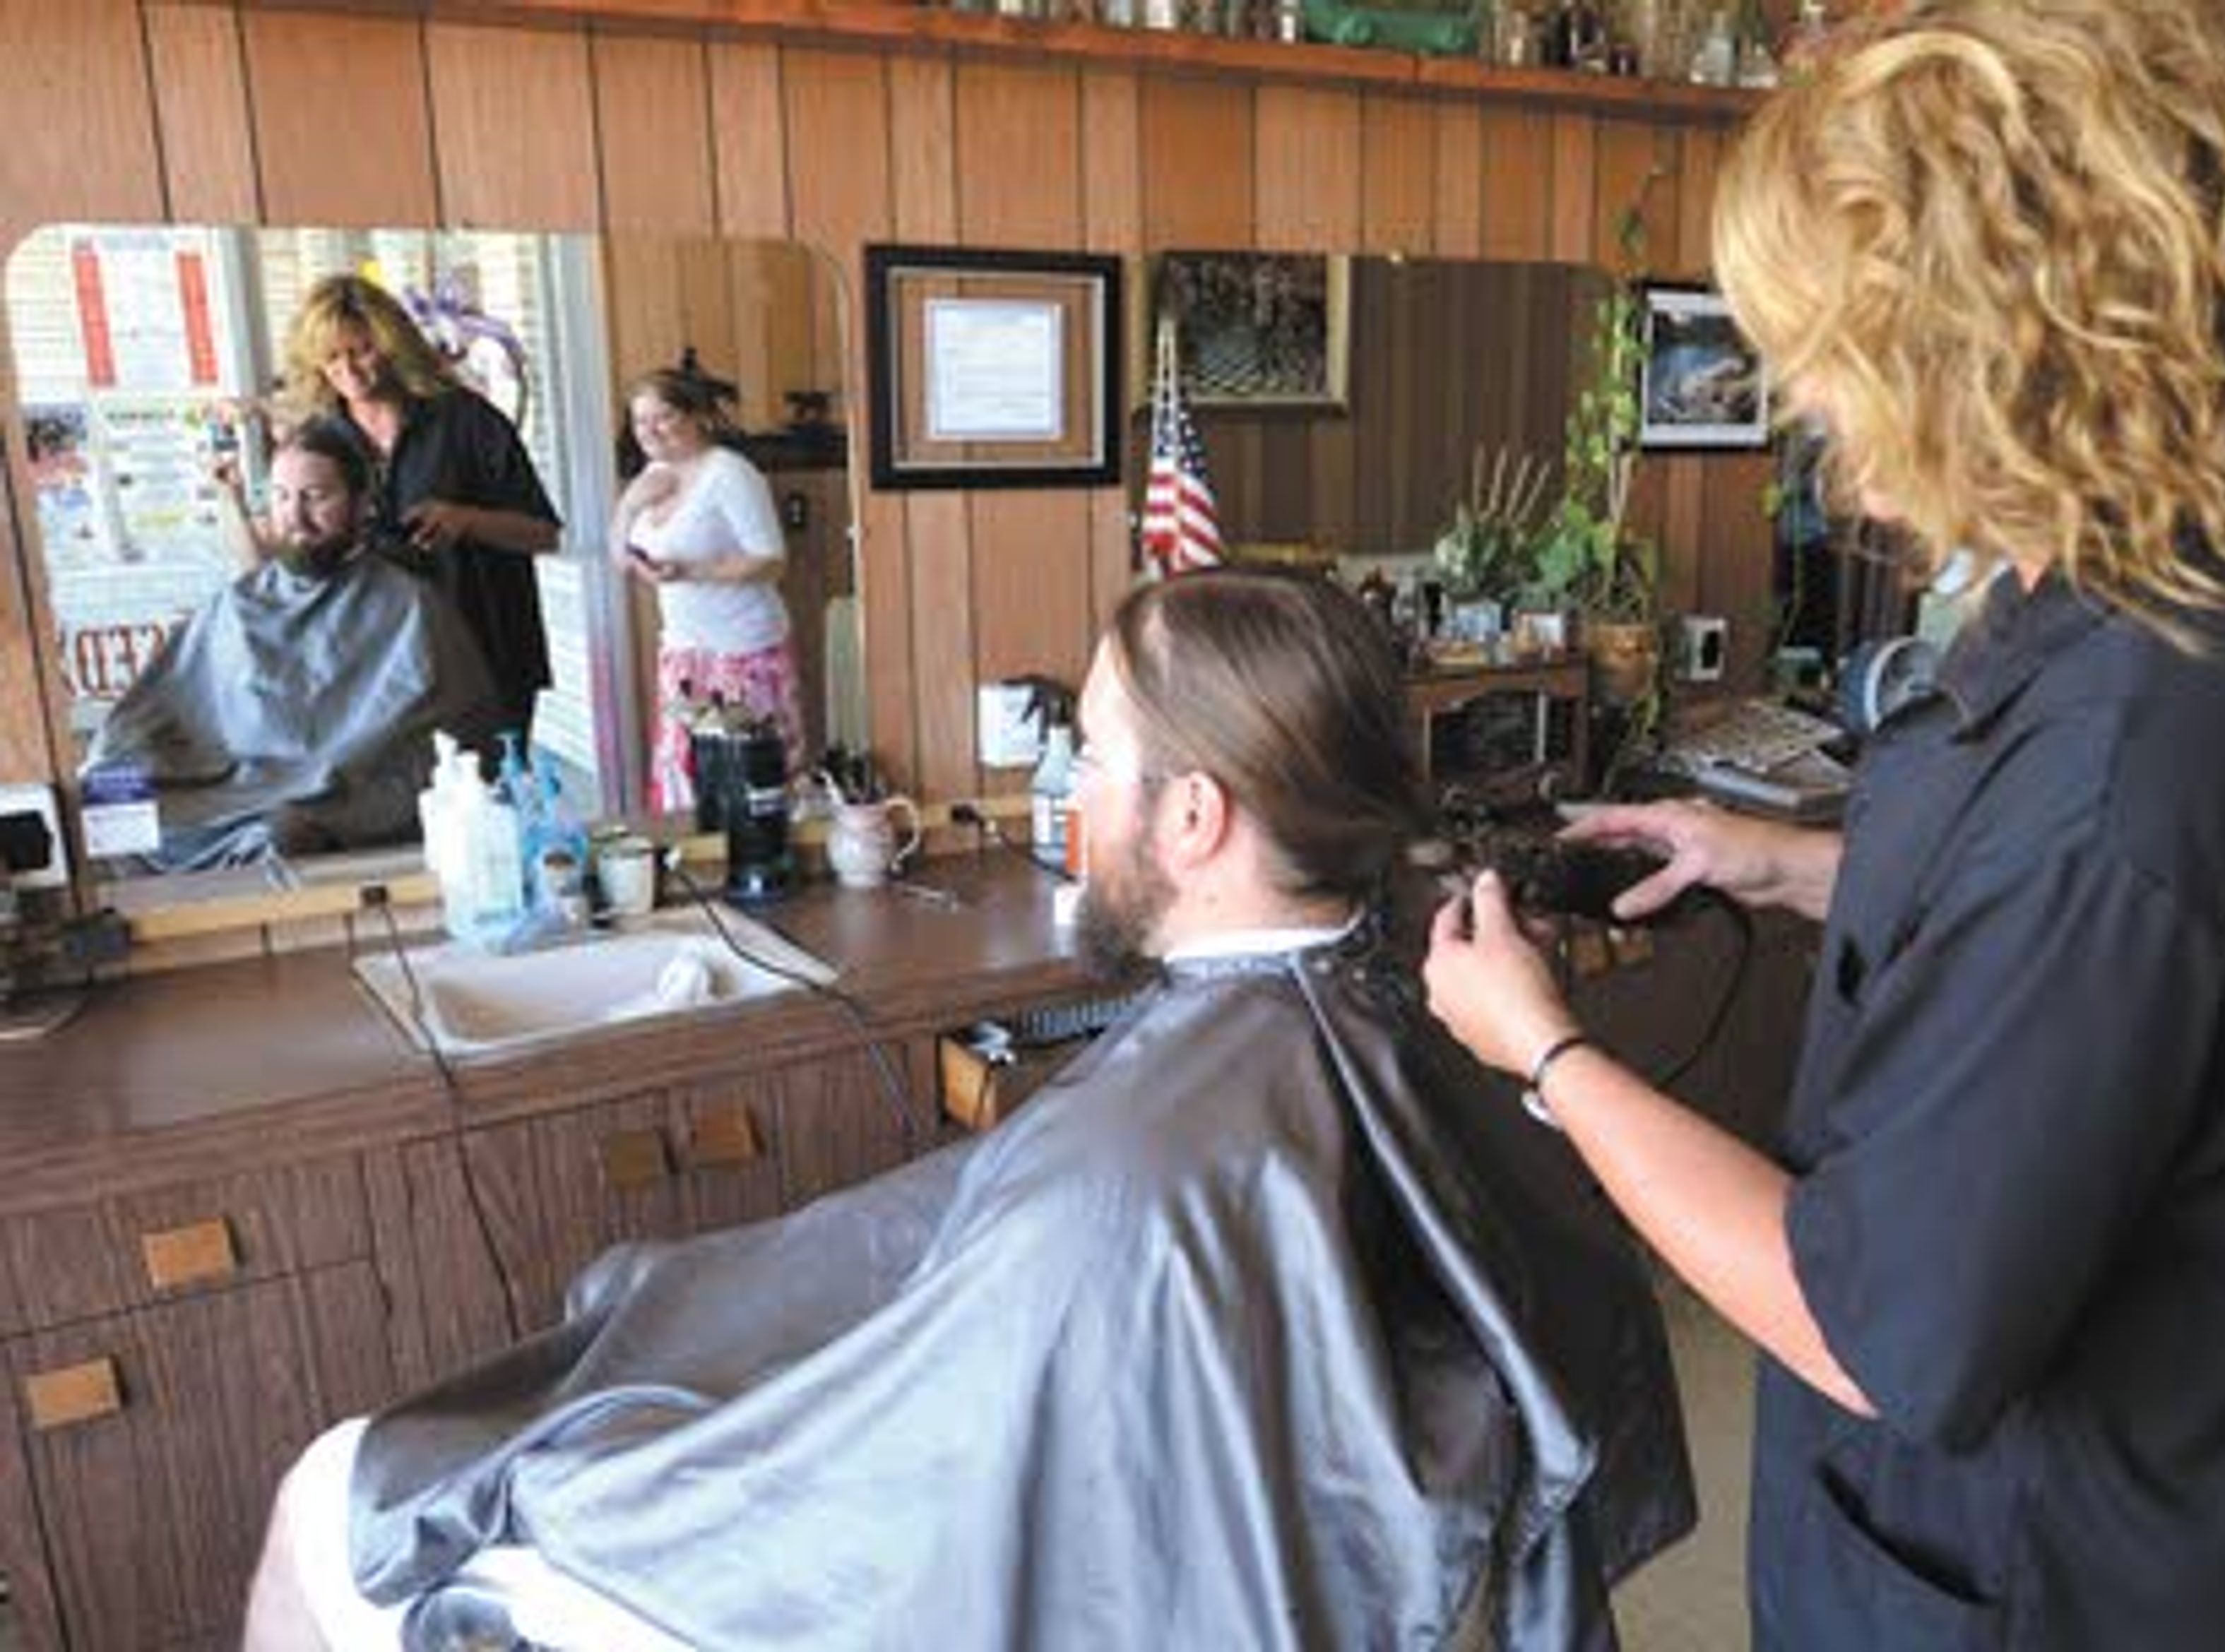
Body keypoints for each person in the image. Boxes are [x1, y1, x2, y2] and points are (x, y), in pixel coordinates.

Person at [1423, 2, 2225, 1647]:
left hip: (2078, 1583)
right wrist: (1793, 865)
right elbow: (2154, 986)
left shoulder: (2145, 762)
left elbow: (1873, 1325)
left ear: (1982, 345)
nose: (1833, 451)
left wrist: (1547, 1054)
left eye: (1838, 373)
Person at [243, 569, 1693, 1651]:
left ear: (1192, 821)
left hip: (954, 1539)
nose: (1078, 802)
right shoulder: (1411, 1021)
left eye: (1101, 763)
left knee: (347, 1499)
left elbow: (926, 1469)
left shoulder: (1144, 1168)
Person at [87, 420, 493, 869]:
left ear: (362, 504)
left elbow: (465, 740)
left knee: (285, 833)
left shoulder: (410, 605)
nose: (295, 517)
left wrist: (342, 790)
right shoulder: (240, 603)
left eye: (316, 498)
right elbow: (161, 707)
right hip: (237, 786)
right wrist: (111, 765)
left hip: (345, 798)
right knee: (107, 801)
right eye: (281, 496)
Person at [273, 273, 561, 743]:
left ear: (392, 344)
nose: (348, 369)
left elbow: (543, 533)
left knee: (488, 805)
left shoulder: (467, 420)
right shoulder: (320, 440)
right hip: (372, 666)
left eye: (361, 349)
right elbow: (295, 546)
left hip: (485, 654)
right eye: (331, 358)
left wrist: (466, 520)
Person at [611, 364, 805, 813]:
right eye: (640, 421)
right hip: (682, 648)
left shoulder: (729, 474)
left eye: (663, 417)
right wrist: (630, 503)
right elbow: (621, 558)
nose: (650, 431)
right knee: (682, 772)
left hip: (744, 647)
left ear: (698, 416)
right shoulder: (653, 475)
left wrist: (691, 571)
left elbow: (771, 561)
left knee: (750, 778)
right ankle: (701, 868)